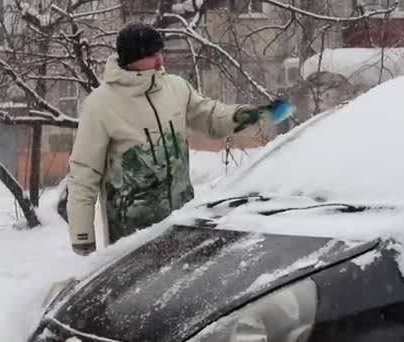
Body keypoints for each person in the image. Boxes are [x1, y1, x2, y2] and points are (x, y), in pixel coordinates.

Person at [67, 22, 268, 256]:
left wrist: (241, 116)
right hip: (131, 236)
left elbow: (210, 116)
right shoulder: (101, 104)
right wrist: (82, 235)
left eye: (160, 52)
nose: (160, 60)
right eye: (152, 55)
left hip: (183, 223)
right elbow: (84, 173)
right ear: (132, 58)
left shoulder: (176, 88)